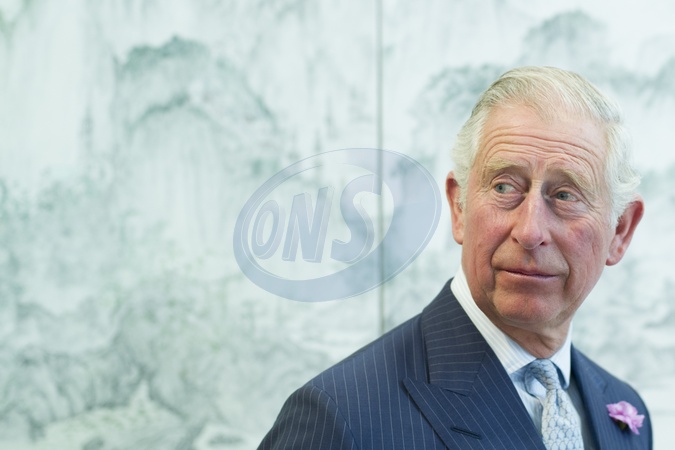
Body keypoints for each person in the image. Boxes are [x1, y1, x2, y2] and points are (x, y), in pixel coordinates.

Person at [258, 66, 652, 449]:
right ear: (459, 206)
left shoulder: (623, 411)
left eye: (565, 195)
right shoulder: (341, 418)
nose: (530, 231)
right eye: (504, 187)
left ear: (620, 230)